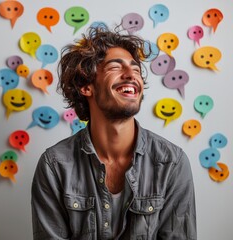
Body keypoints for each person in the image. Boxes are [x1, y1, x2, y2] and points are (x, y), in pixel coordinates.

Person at [31, 27, 197, 240]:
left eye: (136, 70)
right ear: (86, 86)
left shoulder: (172, 162)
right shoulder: (54, 165)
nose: (131, 75)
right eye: (115, 67)